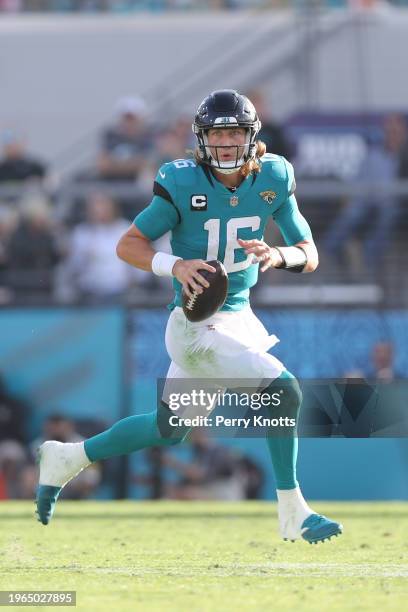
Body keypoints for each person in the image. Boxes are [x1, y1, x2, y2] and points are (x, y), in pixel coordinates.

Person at [36, 89, 342, 544]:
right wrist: (175, 265)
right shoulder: (183, 180)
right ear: (202, 138)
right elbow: (129, 244)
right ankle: (292, 511)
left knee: (169, 428)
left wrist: (276, 254)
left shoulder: (275, 175)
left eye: (234, 132)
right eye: (216, 133)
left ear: (251, 136)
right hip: (194, 323)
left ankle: (67, 458)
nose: (224, 143)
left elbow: (309, 253)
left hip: (238, 318)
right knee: (284, 392)